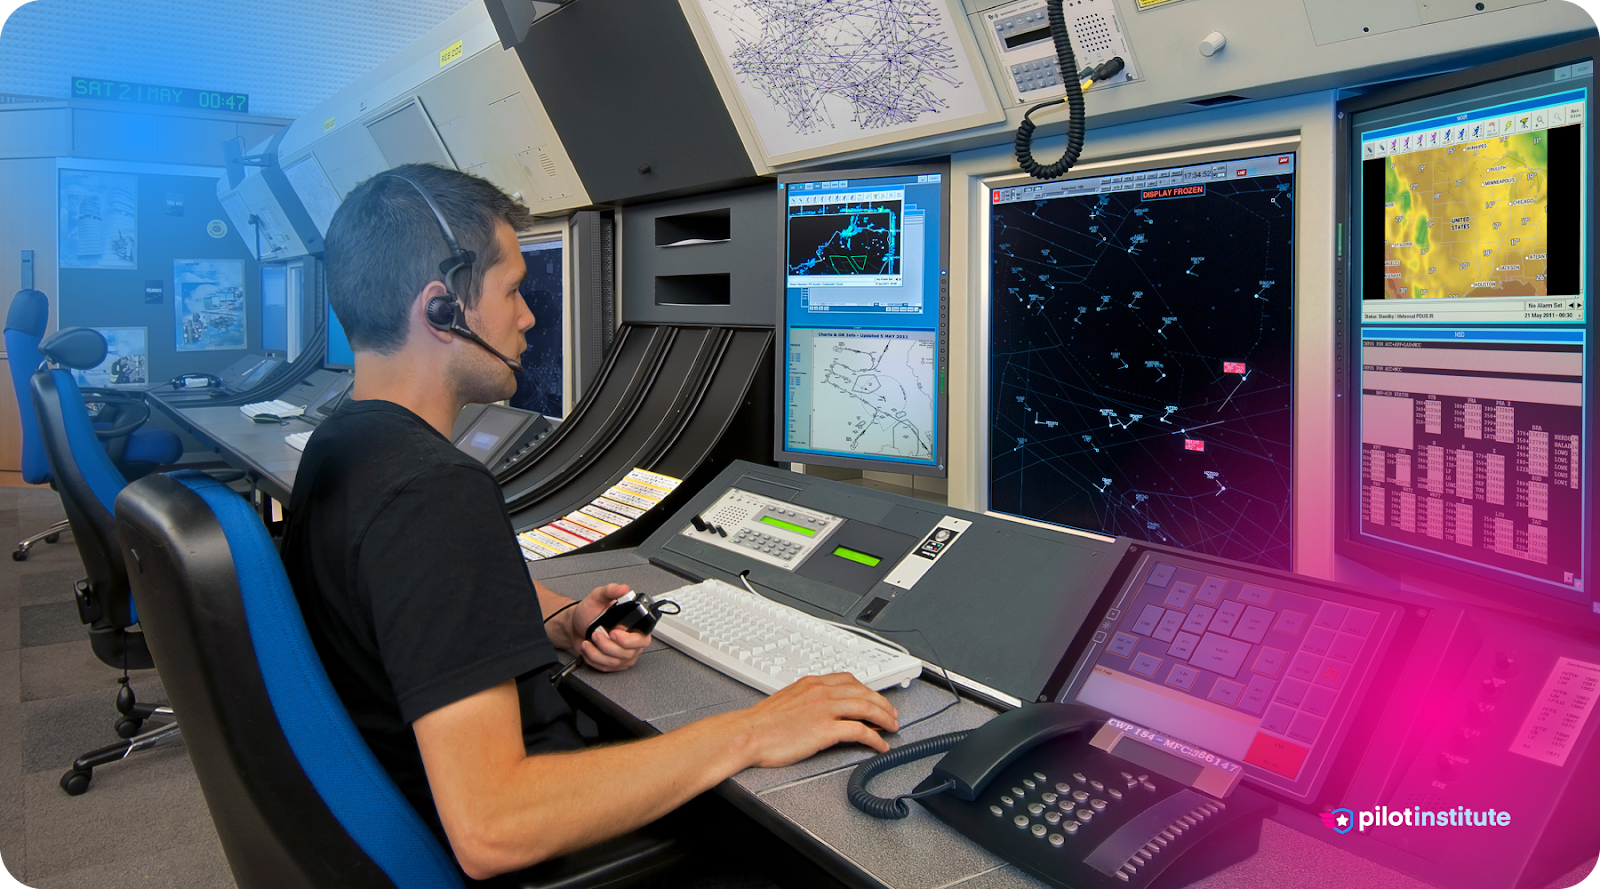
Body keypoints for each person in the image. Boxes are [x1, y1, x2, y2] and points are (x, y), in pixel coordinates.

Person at [280, 163, 900, 884]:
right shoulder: (435, 492)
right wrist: (754, 729)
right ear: (442, 309)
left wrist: (555, 617)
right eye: (513, 291)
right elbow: (494, 825)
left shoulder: (346, 445)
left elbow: (401, 611)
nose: (528, 317)